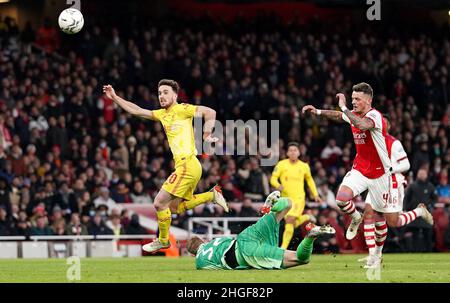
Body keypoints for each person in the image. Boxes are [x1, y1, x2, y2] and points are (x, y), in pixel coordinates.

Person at [103, 80, 229, 253]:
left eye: (165, 92)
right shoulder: (162, 114)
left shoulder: (182, 108)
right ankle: (211, 195)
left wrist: (207, 135)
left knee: (159, 203)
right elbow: (137, 110)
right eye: (160, 92)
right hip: (189, 166)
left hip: (188, 164)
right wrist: (115, 98)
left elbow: (210, 112)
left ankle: (163, 240)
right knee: (174, 208)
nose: (161, 96)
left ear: (175, 95)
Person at [302, 83, 433, 246]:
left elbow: (361, 125)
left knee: (387, 220)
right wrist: (319, 111)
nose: (354, 102)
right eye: (352, 99)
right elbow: (338, 116)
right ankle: (357, 217)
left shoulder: (375, 116)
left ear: (368, 100)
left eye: (357, 99)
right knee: (341, 199)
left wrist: (343, 107)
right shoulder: (353, 114)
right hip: (360, 170)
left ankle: (381, 249)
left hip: (381, 175)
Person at [186, 191, 335, 270]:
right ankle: (270, 208)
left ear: (193, 254)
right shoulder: (215, 241)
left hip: (246, 253)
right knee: (288, 205)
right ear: (203, 240)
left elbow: (215, 268)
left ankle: (310, 236)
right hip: (245, 236)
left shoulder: (200, 261)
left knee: (302, 258)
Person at [359, 117, 433, 267]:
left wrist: (389, 169)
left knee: (393, 221)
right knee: (369, 213)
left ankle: (419, 211)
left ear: (386, 127)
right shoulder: (369, 141)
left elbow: (406, 164)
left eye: (380, 123)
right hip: (376, 182)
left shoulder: (393, 142)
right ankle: (374, 256)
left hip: (392, 183)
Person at [270, 141, 322, 249]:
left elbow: (310, 180)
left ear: (299, 152)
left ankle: (283, 248)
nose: (293, 153)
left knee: (290, 220)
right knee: (291, 224)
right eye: (290, 151)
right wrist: (277, 185)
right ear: (287, 153)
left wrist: (316, 195)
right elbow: (273, 178)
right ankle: (307, 217)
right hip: (285, 200)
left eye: (295, 150)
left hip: (299, 199)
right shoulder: (281, 164)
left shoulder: (304, 166)